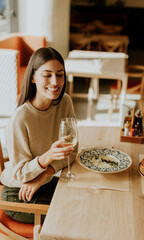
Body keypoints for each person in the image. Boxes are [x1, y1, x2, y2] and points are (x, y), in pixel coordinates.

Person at [1, 47, 78, 224]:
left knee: (87, 198)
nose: (55, 81)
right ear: (33, 77)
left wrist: (43, 175)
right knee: (74, 215)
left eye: (60, 74)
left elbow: (72, 151)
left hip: (43, 183)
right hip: (18, 194)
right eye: (47, 74)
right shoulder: (21, 118)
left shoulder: (64, 102)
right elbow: (20, 174)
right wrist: (48, 156)